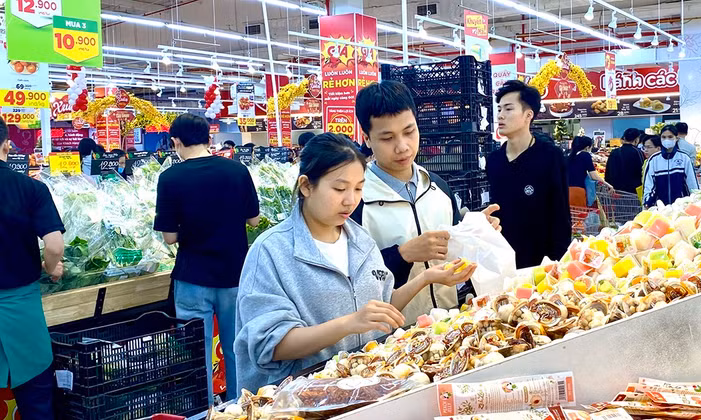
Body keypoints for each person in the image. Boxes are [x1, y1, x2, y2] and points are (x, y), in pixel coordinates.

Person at [234, 133, 476, 389]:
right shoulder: (271, 252)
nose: (350, 200)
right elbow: (270, 345)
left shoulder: (360, 239)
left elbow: (382, 307)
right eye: (340, 189)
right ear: (306, 186)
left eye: (359, 188)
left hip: (366, 387)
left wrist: (427, 277)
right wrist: (348, 323)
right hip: (303, 396)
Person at [352, 80, 500, 320]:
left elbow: (456, 249)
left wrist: (474, 231)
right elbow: (352, 281)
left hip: (448, 321)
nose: (402, 147)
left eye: (409, 131)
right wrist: (402, 255)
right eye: (387, 138)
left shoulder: (437, 186)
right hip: (392, 333)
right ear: (367, 138)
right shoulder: (356, 200)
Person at [154, 114, 261, 403]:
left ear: (176, 141)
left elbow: (169, 237)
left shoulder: (170, 178)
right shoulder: (237, 171)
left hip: (193, 276)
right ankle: (241, 406)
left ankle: (205, 408)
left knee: (197, 351)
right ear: (208, 138)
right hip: (235, 273)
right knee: (237, 346)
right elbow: (254, 220)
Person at [0, 117, 65, 419]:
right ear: (6, 145)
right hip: (22, 310)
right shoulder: (31, 188)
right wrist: (50, 267)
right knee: (36, 401)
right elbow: (54, 245)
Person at [487, 80, 571, 268]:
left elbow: (560, 213)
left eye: (508, 109)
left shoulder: (550, 156)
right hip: (503, 261)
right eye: (499, 109)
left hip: (541, 263)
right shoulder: (494, 160)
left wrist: (558, 262)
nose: (500, 115)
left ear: (528, 115)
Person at [642, 125, 700, 207]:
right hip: (660, 208)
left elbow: (692, 184)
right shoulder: (653, 160)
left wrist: (696, 202)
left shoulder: (684, 158)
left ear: (676, 138)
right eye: (663, 137)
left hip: (681, 208)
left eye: (670, 137)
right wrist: (647, 203)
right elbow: (649, 185)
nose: (667, 140)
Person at [567, 135, 614, 207]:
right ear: (587, 147)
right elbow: (593, 176)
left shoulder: (568, 156)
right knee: (580, 213)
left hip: (566, 191)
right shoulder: (585, 155)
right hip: (578, 191)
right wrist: (608, 184)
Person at [605, 128, 645, 195]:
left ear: (624, 138)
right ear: (637, 139)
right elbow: (642, 171)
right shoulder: (638, 152)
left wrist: (609, 185)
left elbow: (608, 171)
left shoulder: (614, 152)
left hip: (616, 189)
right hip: (633, 191)